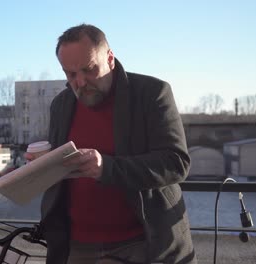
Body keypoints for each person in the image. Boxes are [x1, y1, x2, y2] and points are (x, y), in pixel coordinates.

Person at [26, 24, 196, 264]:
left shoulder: (152, 93)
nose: (80, 82)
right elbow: (64, 166)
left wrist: (106, 168)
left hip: (142, 243)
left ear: (110, 58)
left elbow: (177, 163)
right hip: (74, 245)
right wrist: (38, 168)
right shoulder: (61, 104)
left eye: (89, 69)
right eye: (70, 74)